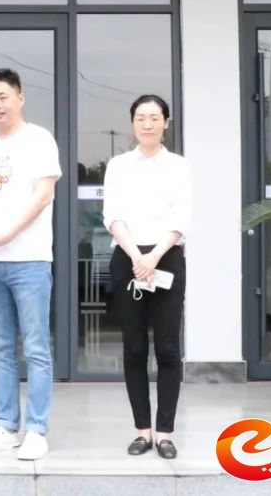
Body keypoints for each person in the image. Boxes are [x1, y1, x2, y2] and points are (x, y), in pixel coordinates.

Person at [0, 68, 61, 462]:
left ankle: (36, 429)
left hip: (30, 259)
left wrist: (7, 234)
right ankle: (6, 426)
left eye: (3, 96)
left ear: (20, 98)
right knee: (0, 348)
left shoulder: (39, 139)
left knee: (36, 347)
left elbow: (43, 195)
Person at [101, 94, 191, 460]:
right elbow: (112, 214)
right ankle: (143, 431)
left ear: (166, 122)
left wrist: (153, 257)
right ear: (133, 123)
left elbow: (181, 217)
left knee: (168, 349)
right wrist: (137, 256)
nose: (147, 124)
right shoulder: (118, 165)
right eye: (141, 117)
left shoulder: (179, 166)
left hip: (166, 257)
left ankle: (165, 433)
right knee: (134, 348)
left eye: (154, 117)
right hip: (128, 258)